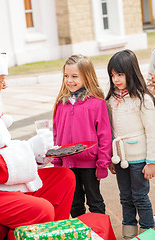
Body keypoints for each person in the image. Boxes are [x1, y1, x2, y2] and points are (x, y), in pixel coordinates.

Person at [0, 51, 76, 240]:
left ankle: (54, 236)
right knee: (41, 210)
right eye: (1, 81)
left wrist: (35, 157)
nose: (4, 86)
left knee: (64, 178)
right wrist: (28, 149)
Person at [52, 54, 112, 218]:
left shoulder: (97, 103)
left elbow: (105, 136)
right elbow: (56, 135)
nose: (69, 80)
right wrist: (57, 160)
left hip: (90, 164)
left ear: (86, 76)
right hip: (68, 164)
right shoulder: (61, 104)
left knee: (95, 202)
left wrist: (102, 164)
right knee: (74, 204)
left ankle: (100, 233)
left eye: (74, 76)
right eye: (66, 76)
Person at [106, 49, 155, 239]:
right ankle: (129, 234)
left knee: (140, 197)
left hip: (140, 158)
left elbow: (152, 131)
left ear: (131, 72)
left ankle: (148, 234)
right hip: (121, 158)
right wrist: (111, 157)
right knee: (125, 197)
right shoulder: (111, 100)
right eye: (112, 75)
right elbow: (110, 131)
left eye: (120, 74)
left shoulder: (143, 100)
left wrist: (151, 161)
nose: (116, 79)